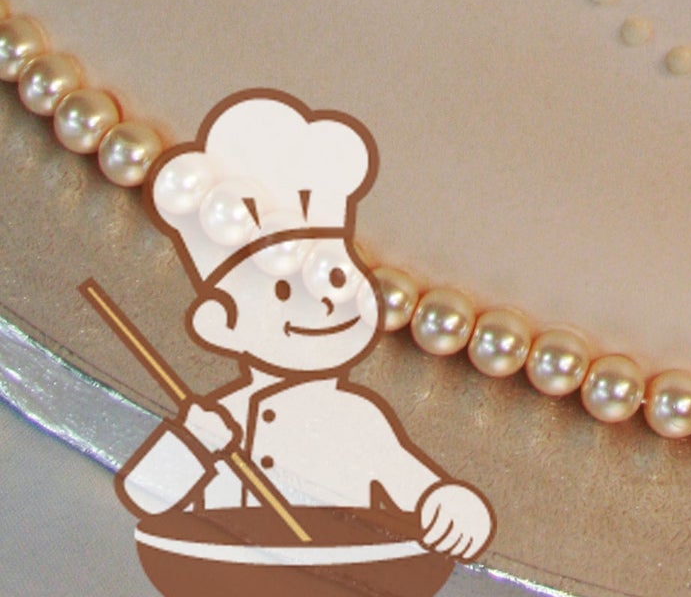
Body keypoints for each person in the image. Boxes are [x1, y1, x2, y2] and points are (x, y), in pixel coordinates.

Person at [115, 90, 493, 558]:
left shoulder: (359, 419)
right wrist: (194, 437)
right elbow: (142, 489)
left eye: (335, 286)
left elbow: (418, 487)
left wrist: (453, 504)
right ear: (220, 324)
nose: (328, 308)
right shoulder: (224, 415)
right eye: (283, 289)